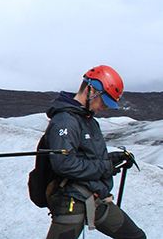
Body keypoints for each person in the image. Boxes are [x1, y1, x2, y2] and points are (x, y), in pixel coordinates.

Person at [44, 65, 146, 239]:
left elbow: (89, 157)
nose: (106, 106)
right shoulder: (65, 120)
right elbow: (63, 164)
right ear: (91, 90)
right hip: (72, 201)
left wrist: (113, 160)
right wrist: (105, 167)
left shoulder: (88, 119)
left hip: (96, 199)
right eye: (105, 99)